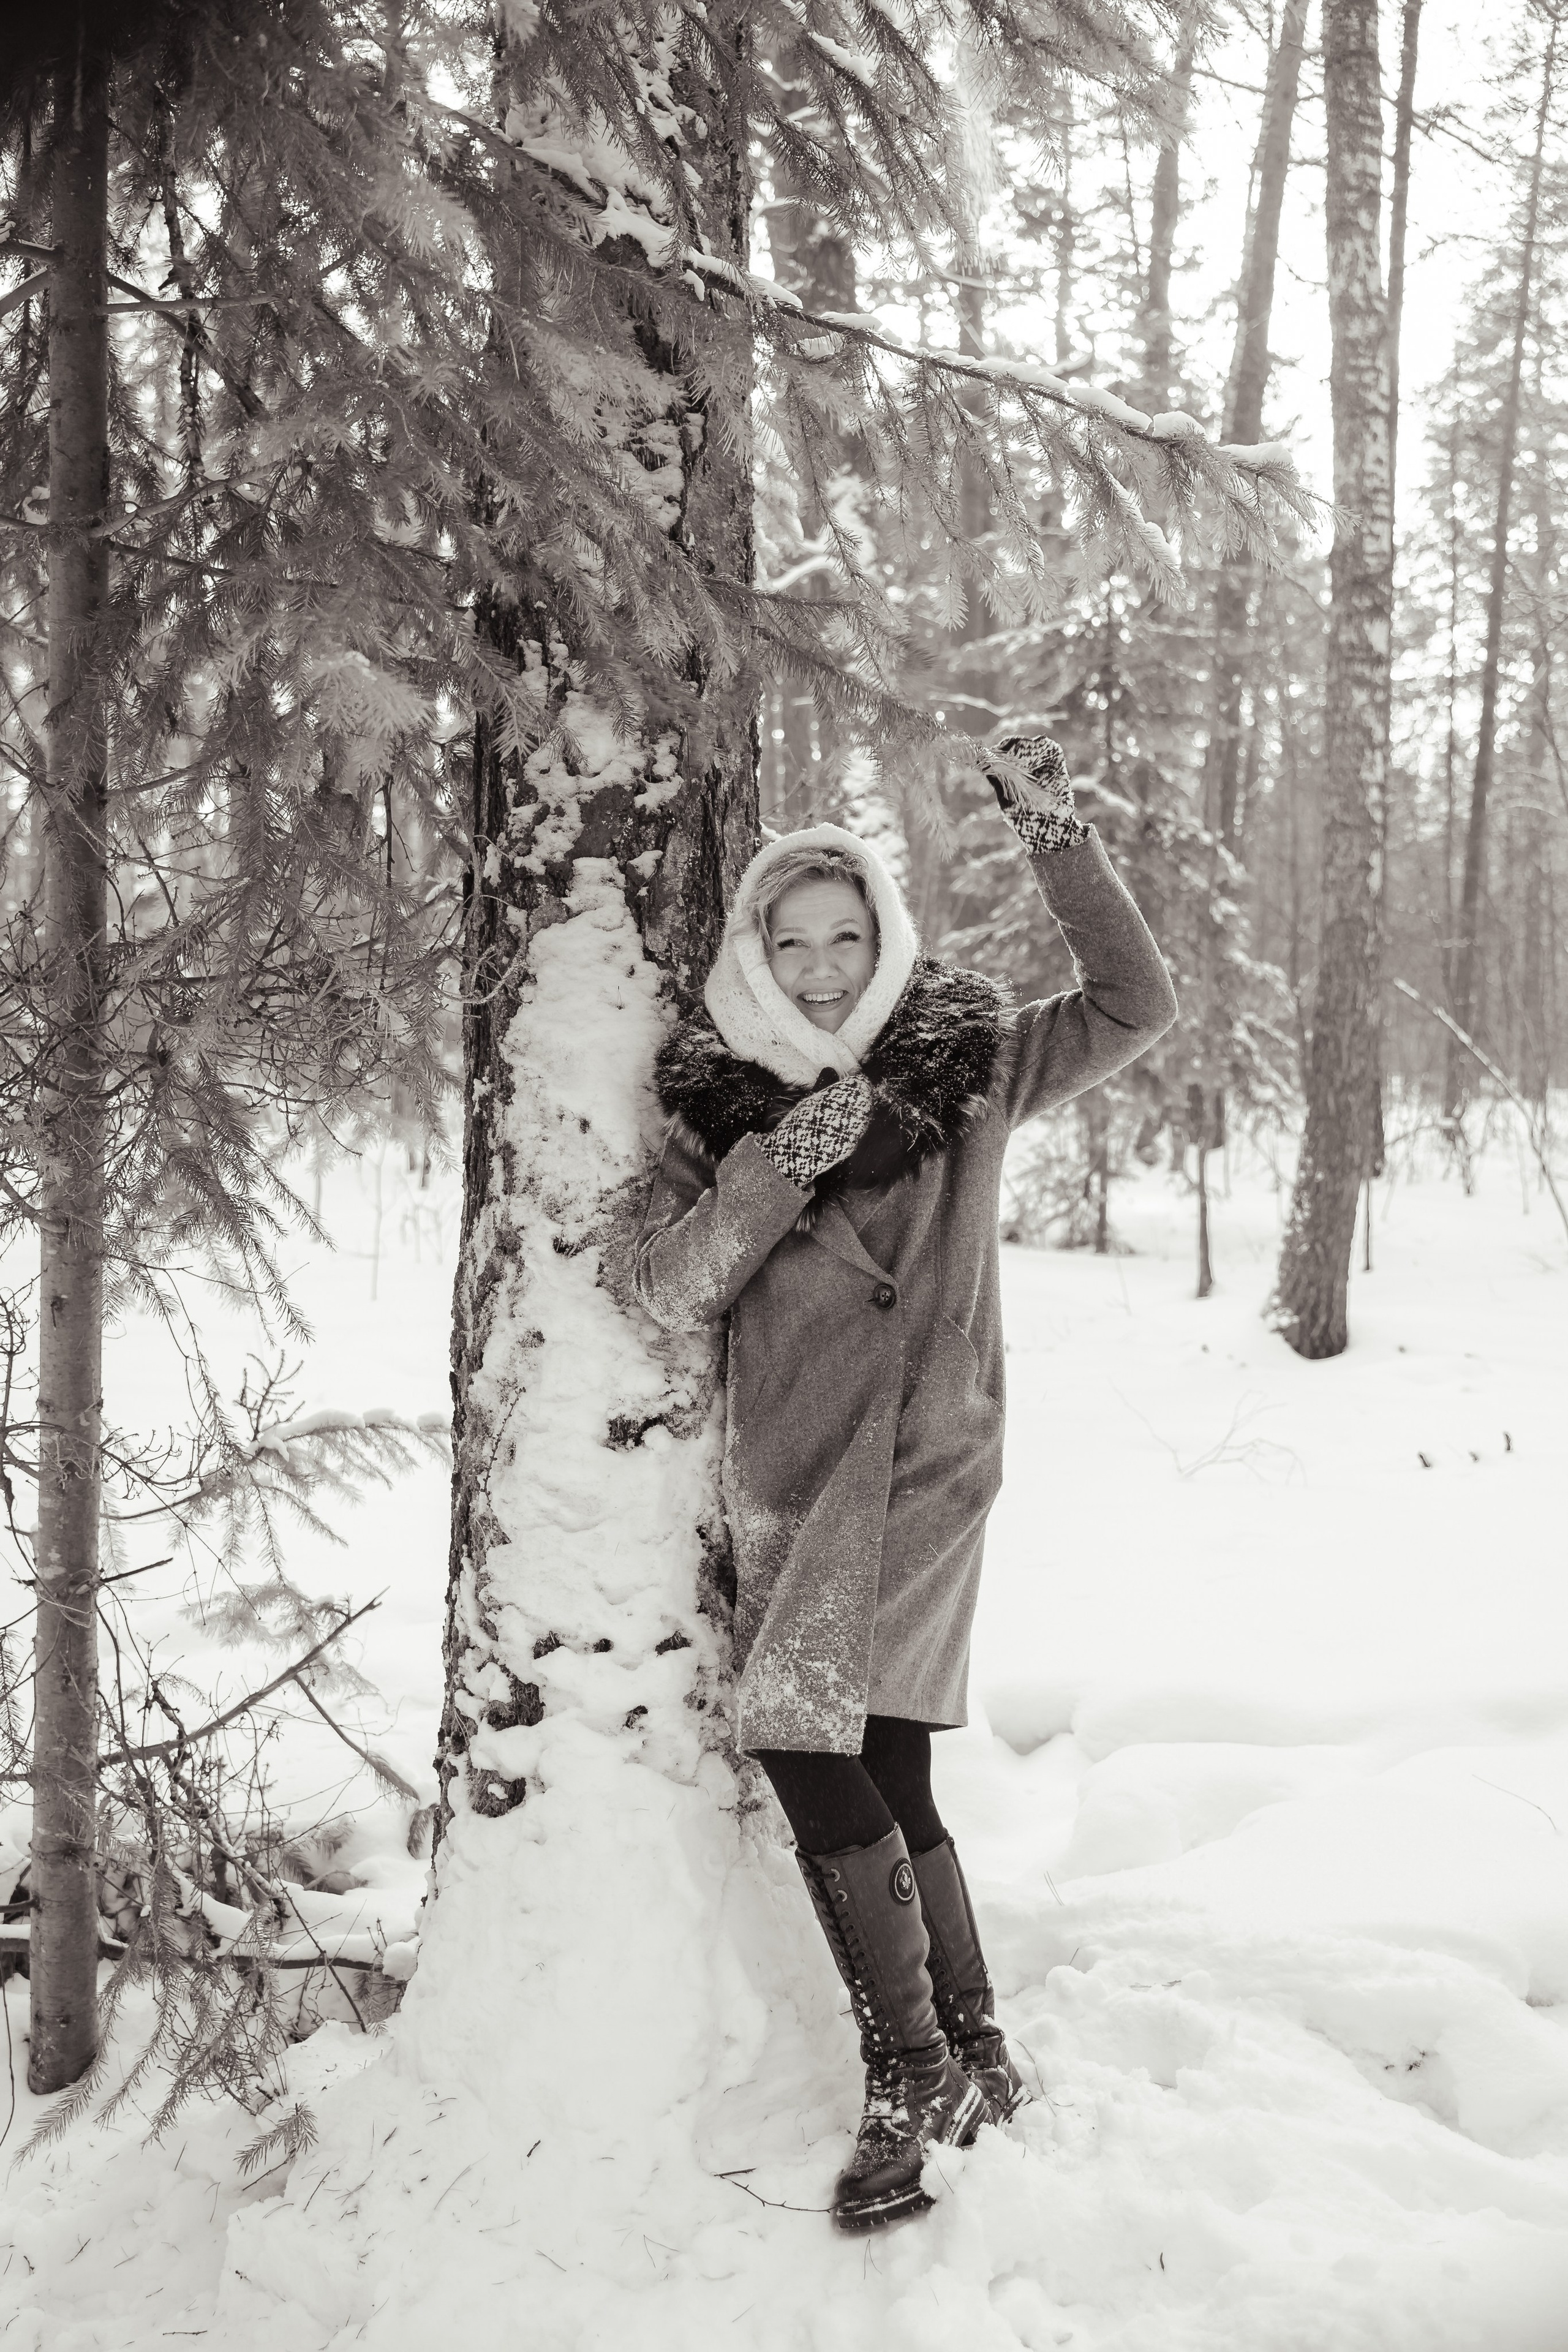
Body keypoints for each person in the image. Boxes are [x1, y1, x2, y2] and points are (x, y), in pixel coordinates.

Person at [633, 738, 1177, 2230]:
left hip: (929, 1462)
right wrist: (765, 1179)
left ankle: (909, 2067)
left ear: (886, 940)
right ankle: (973, 2043)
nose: (819, 970)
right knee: (881, 1758)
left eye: (845, 937)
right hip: (790, 1480)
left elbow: (1137, 1004)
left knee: (800, 1736)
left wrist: (1054, 830)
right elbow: (663, 1290)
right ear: (752, 952)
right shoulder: (709, 1108)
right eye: (789, 942)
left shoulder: (969, 1062)